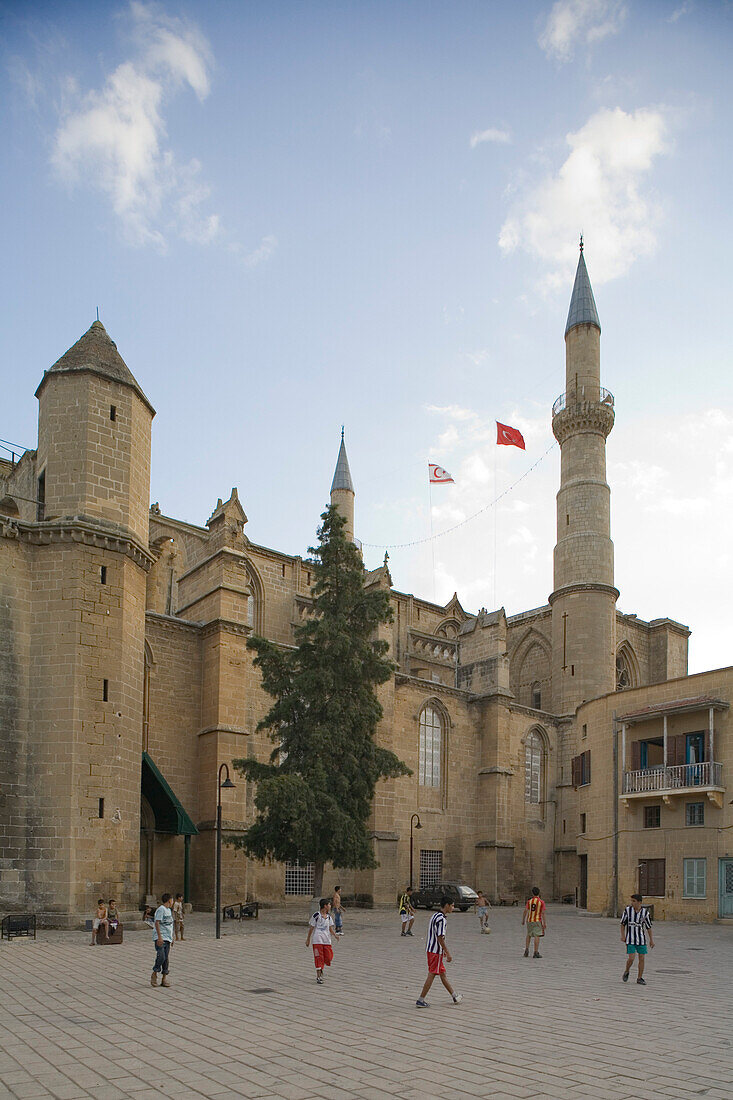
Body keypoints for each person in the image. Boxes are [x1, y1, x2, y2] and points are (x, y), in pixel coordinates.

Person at [415, 896, 463, 1007]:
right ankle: (420, 1000)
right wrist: (447, 952)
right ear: (446, 905)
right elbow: (440, 937)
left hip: (432, 950)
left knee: (442, 974)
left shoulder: (434, 915)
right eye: (452, 905)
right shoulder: (442, 919)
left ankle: (454, 996)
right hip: (435, 951)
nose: (453, 907)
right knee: (432, 974)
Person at [621, 892, 654, 985]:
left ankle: (639, 978)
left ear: (639, 902)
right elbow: (623, 924)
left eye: (634, 901)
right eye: (631, 901)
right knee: (631, 958)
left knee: (642, 958)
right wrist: (623, 935)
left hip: (641, 939)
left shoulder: (645, 913)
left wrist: (651, 940)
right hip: (630, 939)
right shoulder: (627, 911)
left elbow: (648, 927)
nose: (632, 903)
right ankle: (627, 970)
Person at [306, 898, 336, 985]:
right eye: (329, 905)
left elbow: (330, 928)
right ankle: (319, 976)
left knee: (328, 957)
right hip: (317, 940)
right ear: (325, 906)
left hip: (326, 940)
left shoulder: (329, 917)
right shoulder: (316, 915)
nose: (330, 906)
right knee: (318, 957)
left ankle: (322, 966)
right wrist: (308, 939)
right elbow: (311, 928)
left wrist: (335, 935)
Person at [151, 893, 174, 987]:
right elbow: (157, 922)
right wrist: (159, 937)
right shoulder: (161, 909)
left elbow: (170, 925)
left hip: (168, 937)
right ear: (169, 900)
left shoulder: (169, 910)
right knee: (161, 956)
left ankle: (164, 978)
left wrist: (172, 937)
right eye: (172, 900)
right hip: (161, 937)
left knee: (166, 959)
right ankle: (155, 973)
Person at [522, 886, 546, 957]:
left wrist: (523, 919)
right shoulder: (541, 902)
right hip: (537, 920)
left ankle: (526, 950)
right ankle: (535, 952)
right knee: (537, 935)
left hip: (529, 920)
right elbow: (543, 913)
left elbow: (525, 911)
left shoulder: (529, 901)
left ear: (532, 893)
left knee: (529, 934)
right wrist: (544, 923)